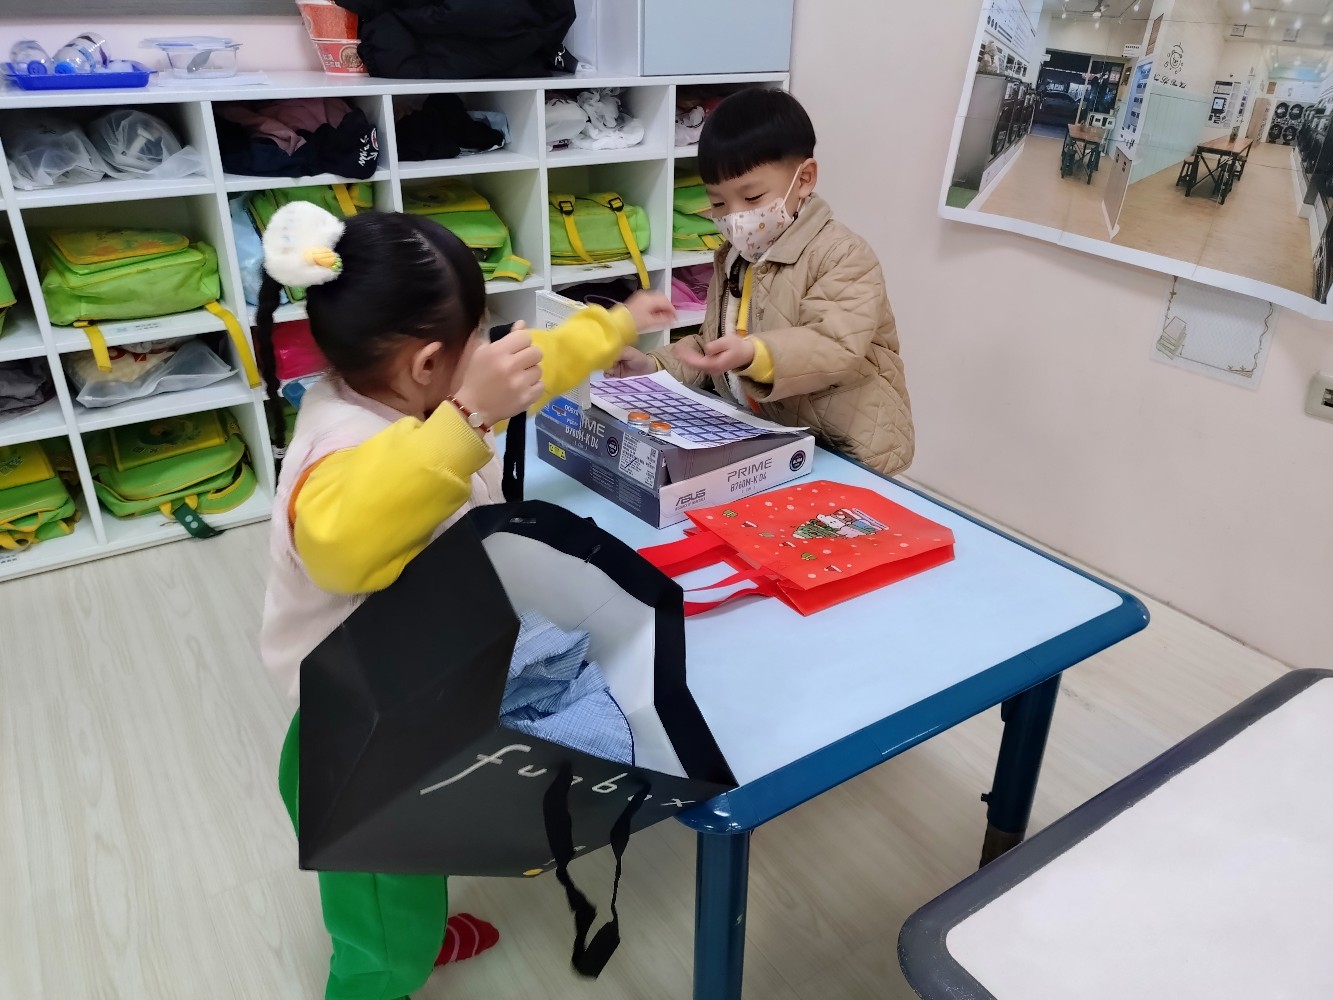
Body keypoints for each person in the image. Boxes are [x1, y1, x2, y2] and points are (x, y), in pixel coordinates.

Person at [252, 201, 675, 1000]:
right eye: (479, 337)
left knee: (421, 846)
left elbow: (531, 364)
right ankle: (381, 971)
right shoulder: (344, 441)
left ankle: (412, 921)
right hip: (354, 740)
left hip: (405, 695)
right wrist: (469, 416)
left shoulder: (401, 392)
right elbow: (339, 541)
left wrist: (612, 326)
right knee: (380, 922)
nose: (492, 354)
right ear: (426, 366)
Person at [610, 88, 914, 475]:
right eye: (718, 203)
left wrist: (753, 354)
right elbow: (711, 347)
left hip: (845, 448)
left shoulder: (842, 254)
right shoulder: (736, 257)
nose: (735, 217)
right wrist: (653, 365)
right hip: (770, 438)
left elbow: (834, 345)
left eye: (752, 197)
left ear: (804, 179)